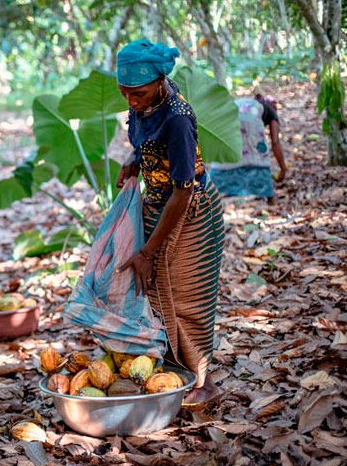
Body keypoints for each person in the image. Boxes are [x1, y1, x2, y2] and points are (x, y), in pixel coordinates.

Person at [113, 39, 225, 405]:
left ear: (160, 81)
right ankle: (176, 372)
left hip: (190, 209)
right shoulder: (147, 104)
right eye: (124, 93)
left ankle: (204, 382)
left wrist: (148, 249)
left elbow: (183, 190)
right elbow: (148, 140)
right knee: (159, 293)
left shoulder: (177, 118)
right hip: (158, 202)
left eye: (138, 93)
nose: (131, 101)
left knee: (186, 297)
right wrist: (135, 158)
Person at [208, 93, 286, 203]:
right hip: (249, 121)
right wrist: (283, 169)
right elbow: (275, 142)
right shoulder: (271, 111)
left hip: (226, 119)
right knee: (258, 156)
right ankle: (269, 198)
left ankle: (212, 192)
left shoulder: (246, 102)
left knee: (227, 154)